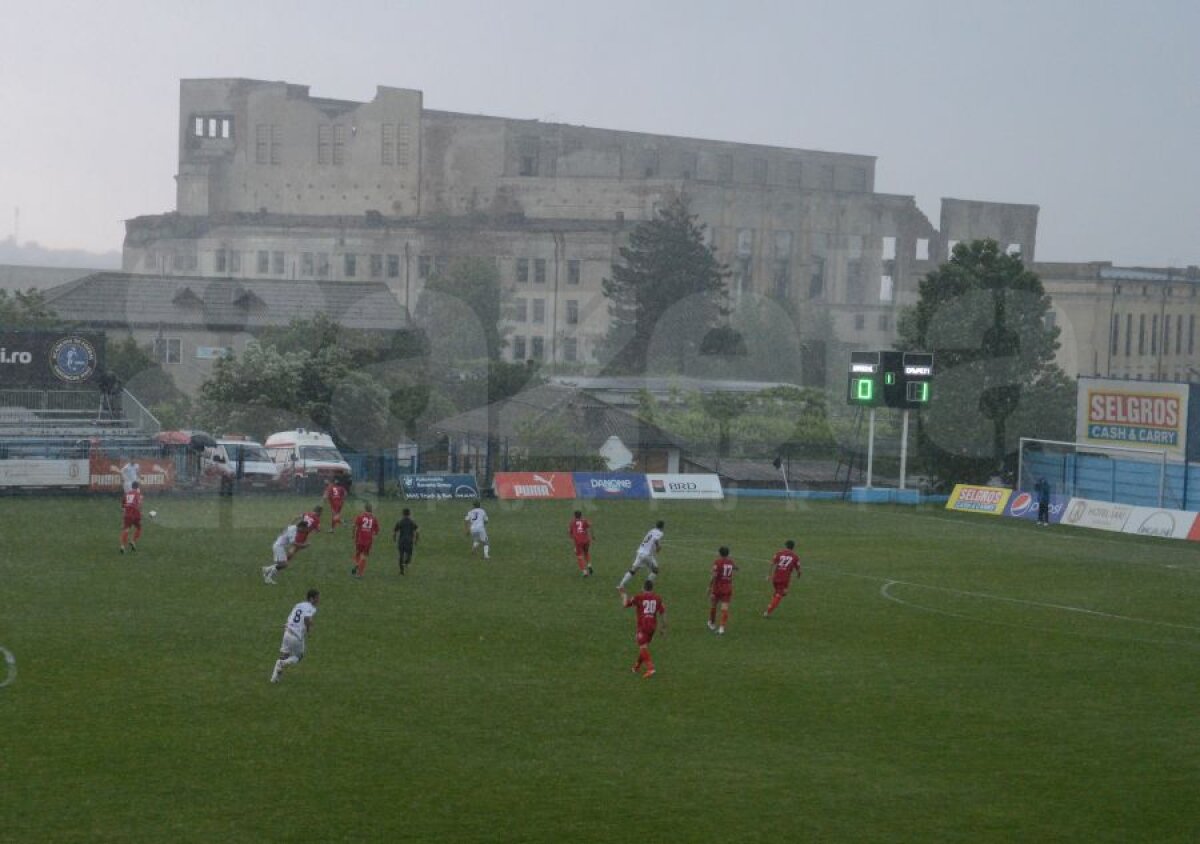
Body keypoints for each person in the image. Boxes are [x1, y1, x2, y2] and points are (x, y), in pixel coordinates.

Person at [261, 506, 322, 584]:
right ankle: (268, 576)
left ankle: (267, 570)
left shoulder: (293, 526)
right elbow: (293, 543)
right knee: (285, 563)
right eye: (304, 529)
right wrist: (304, 546)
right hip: (279, 547)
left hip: (279, 545)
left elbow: (295, 519)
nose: (304, 530)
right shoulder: (294, 531)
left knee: (284, 562)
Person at [270, 588, 320, 683]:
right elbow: (306, 618)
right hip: (296, 636)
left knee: (285, 655)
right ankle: (283, 663)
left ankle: (274, 679)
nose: (319, 600)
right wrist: (309, 630)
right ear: (312, 599)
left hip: (287, 632)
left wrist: (287, 624)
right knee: (298, 656)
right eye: (317, 598)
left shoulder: (299, 604)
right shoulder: (312, 608)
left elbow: (292, 616)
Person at [621, 579, 667, 679]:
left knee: (643, 647)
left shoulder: (639, 597)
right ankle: (636, 667)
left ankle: (651, 668)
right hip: (652, 627)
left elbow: (625, 604)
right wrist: (663, 627)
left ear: (643, 587)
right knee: (644, 646)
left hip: (643, 626)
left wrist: (624, 595)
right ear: (652, 588)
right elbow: (663, 612)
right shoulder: (658, 598)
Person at [617, 520, 664, 592]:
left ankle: (621, 585)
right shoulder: (660, 533)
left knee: (633, 570)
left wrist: (656, 547)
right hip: (647, 555)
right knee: (655, 570)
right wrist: (658, 547)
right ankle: (646, 586)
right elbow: (655, 539)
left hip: (640, 552)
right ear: (662, 527)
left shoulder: (651, 530)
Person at [764, 540, 802, 617]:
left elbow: (772, 564)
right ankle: (768, 612)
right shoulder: (795, 556)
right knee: (780, 594)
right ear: (793, 547)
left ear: (785, 546)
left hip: (775, 578)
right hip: (784, 579)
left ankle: (772, 603)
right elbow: (798, 569)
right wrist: (799, 575)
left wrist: (768, 575)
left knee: (780, 592)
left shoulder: (779, 553)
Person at [707, 546, 738, 635]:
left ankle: (712, 623)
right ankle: (721, 628)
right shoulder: (730, 562)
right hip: (727, 588)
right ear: (728, 553)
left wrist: (709, 587)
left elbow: (714, 575)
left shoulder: (718, 562)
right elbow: (735, 567)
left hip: (718, 587)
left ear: (719, 553)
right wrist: (735, 568)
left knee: (713, 605)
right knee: (724, 608)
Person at [350, 501, 381, 578]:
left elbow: (354, 526)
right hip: (368, 540)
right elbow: (377, 531)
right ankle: (359, 574)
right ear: (371, 510)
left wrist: (353, 535)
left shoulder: (360, 516)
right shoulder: (374, 518)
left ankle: (357, 565)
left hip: (359, 538)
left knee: (358, 554)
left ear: (365, 509)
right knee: (364, 556)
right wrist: (373, 534)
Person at [392, 508, 420, 575]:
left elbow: (394, 532)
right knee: (409, 555)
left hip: (401, 541)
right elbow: (417, 531)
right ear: (409, 514)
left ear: (403, 514)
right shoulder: (412, 522)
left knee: (401, 555)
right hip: (409, 541)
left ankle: (401, 571)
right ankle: (406, 562)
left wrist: (394, 539)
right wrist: (416, 540)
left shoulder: (400, 521)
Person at [119, 481, 143, 553]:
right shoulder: (138, 494)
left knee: (126, 529)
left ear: (132, 487)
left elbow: (123, 505)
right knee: (139, 528)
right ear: (138, 487)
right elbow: (139, 504)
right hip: (135, 513)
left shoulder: (127, 494)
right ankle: (133, 541)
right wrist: (140, 512)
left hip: (127, 514)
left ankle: (122, 546)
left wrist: (125, 510)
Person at [568, 510, 594, 577]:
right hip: (586, 540)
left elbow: (570, 533)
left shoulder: (572, 523)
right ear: (581, 515)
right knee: (586, 552)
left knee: (579, 556)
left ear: (574, 516)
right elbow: (590, 525)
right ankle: (589, 565)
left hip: (578, 542)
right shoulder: (584, 521)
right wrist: (592, 536)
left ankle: (585, 572)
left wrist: (573, 537)